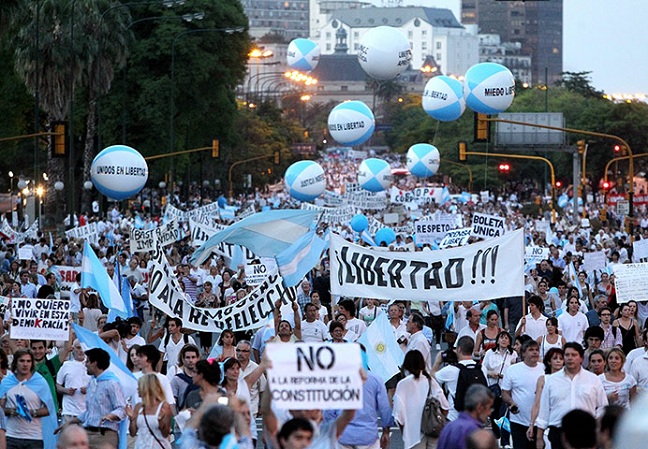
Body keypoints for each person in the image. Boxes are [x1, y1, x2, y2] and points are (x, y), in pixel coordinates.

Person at [535, 342, 608, 449]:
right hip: (559, 431)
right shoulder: (552, 380)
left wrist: (596, 428)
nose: (570, 358)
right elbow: (544, 410)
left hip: (586, 432)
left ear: (581, 358)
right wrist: (539, 437)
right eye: (567, 355)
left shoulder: (593, 379)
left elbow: (602, 407)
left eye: (574, 355)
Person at [0, 348, 57, 449]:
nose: (25, 364)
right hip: (11, 435)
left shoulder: (40, 382)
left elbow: (49, 409)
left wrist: (31, 412)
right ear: (15, 363)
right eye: (22, 361)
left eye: (28, 361)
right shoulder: (7, 382)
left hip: (34, 436)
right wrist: (10, 411)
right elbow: (1, 407)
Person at [71, 348, 127, 449]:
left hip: (104, 435)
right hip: (87, 434)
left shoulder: (112, 383)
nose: (85, 364)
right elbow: (90, 411)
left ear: (95, 363)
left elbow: (122, 409)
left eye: (87, 361)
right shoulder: (92, 383)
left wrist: (110, 415)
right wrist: (71, 422)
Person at [393, 350, 449, 449]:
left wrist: (404, 431)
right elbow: (445, 405)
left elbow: (399, 413)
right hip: (433, 430)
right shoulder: (430, 380)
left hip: (413, 434)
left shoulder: (403, 384)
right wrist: (438, 419)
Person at [501, 339, 544, 449]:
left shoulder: (544, 369)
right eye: (531, 350)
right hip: (518, 421)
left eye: (536, 350)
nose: (535, 352)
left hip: (540, 422)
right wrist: (512, 403)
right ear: (523, 353)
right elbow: (505, 393)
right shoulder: (512, 370)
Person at [433, 336, 487, 421]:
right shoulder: (481, 368)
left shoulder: (451, 370)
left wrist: (437, 362)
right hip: (476, 418)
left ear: (459, 349)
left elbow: (432, 377)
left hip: (455, 417)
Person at [482, 330, 516, 445]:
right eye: (501, 337)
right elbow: (484, 369)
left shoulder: (513, 354)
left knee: (504, 415)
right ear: (497, 340)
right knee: (493, 414)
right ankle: (496, 435)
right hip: (493, 387)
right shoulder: (489, 353)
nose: (504, 340)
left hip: (506, 390)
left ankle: (505, 442)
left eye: (506, 338)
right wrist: (492, 374)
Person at [436, 384, 495, 449]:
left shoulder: (449, 426)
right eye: (489, 408)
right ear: (480, 408)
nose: (490, 413)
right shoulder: (472, 430)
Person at [526, 348, 564, 444]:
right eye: (555, 358)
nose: (558, 361)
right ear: (549, 361)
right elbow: (537, 403)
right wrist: (531, 424)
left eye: (561, 358)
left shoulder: (569, 379)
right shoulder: (543, 379)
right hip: (547, 423)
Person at [126, 373, 172, 449]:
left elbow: (165, 434)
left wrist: (161, 423)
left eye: (139, 387)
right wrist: (132, 419)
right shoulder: (139, 407)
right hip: (141, 445)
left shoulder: (164, 406)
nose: (137, 389)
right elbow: (133, 433)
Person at [56, 339, 91, 424]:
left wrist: (88, 389)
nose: (81, 351)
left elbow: (98, 385)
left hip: (87, 412)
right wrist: (66, 390)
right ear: (73, 348)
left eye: (83, 348)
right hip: (69, 412)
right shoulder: (66, 365)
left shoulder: (91, 365)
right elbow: (57, 386)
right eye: (78, 348)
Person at [170, 344, 201, 411]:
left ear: (198, 358)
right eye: (187, 357)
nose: (190, 360)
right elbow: (172, 402)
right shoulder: (177, 379)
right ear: (183, 359)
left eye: (193, 357)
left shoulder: (203, 378)